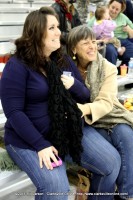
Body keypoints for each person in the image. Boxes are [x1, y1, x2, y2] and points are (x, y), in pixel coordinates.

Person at [0, 6, 124, 200]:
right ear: (36, 32)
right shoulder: (17, 65)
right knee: (56, 187)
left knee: (111, 163)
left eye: (58, 26)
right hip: (29, 140)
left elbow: (85, 96)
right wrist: (40, 145)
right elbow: (14, 112)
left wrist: (73, 85)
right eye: (52, 28)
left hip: (66, 131)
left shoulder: (62, 60)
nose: (59, 32)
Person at [67, 24, 133, 200]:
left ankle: (126, 195)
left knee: (128, 137)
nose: (92, 47)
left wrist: (82, 109)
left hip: (110, 116)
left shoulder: (107, 68)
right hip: (87, 124)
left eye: (94, 42)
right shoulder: (66, 68)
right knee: (110, 159)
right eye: (86, 43)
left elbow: (105, 103)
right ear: (73, 48)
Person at [88, 0, 133, 66]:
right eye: (113, 7)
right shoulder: (100, 15)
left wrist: (129, 30)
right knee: (110, 50)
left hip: (123, 40)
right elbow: (87, 29)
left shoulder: (123, 18)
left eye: (117, 9)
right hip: (107, 40)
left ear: (121, 10)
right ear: (109, 5)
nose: (114, 11)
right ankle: (111, 72)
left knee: (131, 49)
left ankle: (124, 70)